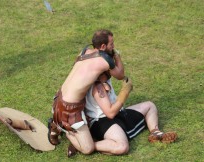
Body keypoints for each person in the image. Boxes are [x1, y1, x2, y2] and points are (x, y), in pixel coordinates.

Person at [48, 29, 125, 157]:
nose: (114, 46)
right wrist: (117, 56)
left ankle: (57, 126)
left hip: (58, 99)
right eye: (112, 44)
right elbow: (121, 75)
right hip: (69, 111)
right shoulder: (105, 61)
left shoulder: (84, 52)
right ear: (103, 46)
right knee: (87, 149)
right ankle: (60, 127)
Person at [85, 73, 178, 155]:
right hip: (102, 121)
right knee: (122, 147)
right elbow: (110, 113)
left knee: (150, 106)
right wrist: (125, 92)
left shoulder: (105, 77)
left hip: (119, 113)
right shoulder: (97, 87)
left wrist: (116, 55)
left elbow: (120, 73)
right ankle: (87, 145)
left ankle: (155, 132)